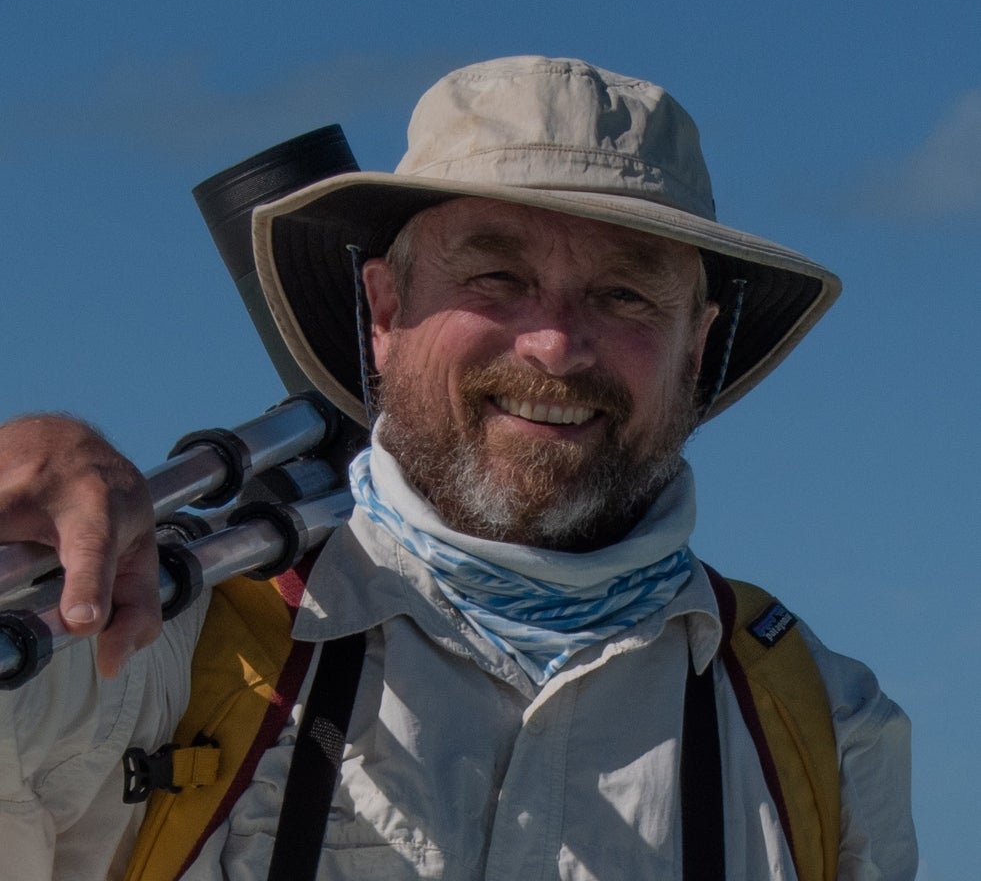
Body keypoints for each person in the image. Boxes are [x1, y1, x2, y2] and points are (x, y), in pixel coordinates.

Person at [0, 55, 916, 879]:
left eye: (624, 293)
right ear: (383, 311)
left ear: (695, 347)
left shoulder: (824, 723)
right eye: (495, 278)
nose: (555, 346)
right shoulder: (155, 642)